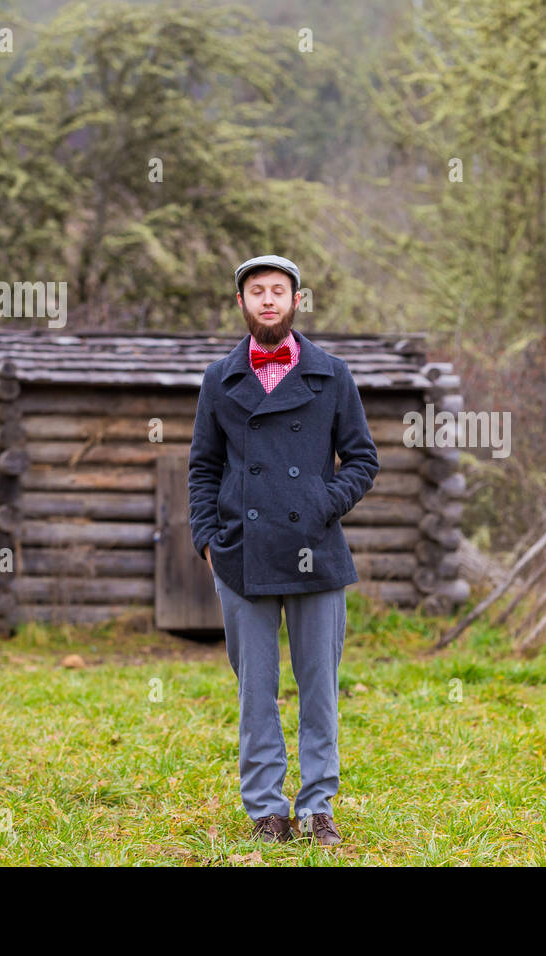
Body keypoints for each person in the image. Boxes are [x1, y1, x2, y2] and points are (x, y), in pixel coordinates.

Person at [188, 254, 379, 845]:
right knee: (256, 692)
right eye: (256, 291)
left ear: (297, 301)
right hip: (242, 553)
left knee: (319, 687)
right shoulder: (220, 379)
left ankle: (319, 806)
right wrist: (207, 542)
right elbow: (203, 468)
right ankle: (266, 810)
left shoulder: (332, 375)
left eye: (278, 290)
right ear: (241, 304)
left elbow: (364, 460)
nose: (268, 299)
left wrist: (322, 503)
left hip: (316, 551)